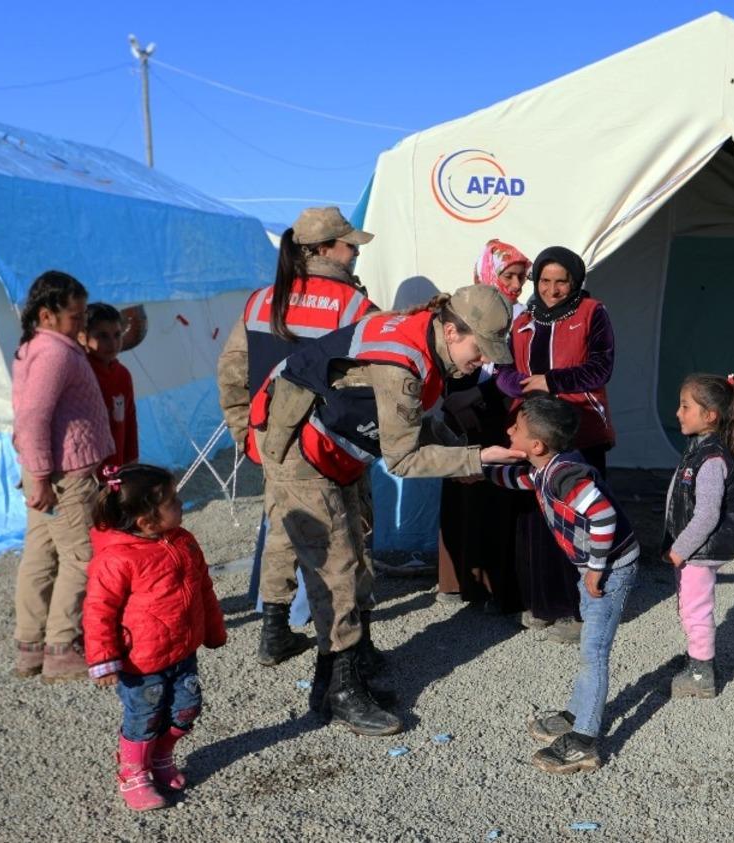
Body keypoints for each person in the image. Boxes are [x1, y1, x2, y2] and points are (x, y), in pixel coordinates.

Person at [261, 284, 524, 736]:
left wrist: (462, 451)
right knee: (336, 567)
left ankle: (345, 669)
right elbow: (402, 458)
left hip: (338, 446)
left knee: (360, 552)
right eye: (480, 349)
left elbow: (423, 419)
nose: (484, 361)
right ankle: (340, 689)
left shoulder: (426, 340)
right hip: (302, 450)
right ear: (451, 329)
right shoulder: (402, 363)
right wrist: (474, 459)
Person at [217, 206, 377, 668]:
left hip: (273, 441)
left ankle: (273, 630)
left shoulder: (260, 300)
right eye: (350, 245)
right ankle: (352, 645)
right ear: (325, 249)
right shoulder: (354, 306)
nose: (354, 254)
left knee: (281, 529)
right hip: (331, 446)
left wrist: (244, 431)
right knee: (350, 535)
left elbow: (231, 373)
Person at [484, 394, 638, 773]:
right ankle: (578, 711)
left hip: (611, 568)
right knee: (589, 646)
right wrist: (480, 471)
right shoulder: (546, 467)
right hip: (595, 565)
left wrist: (597, 568)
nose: (508, 430)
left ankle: (585, 739)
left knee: (594, 652)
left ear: (536, 445)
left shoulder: (565, 476)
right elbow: (523, 480)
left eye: (515, 428)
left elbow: (602, 517)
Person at [83, 464, 227, 812]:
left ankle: (161, 756)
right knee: (144, 717)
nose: (181, 503)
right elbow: (98, 609)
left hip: (182, 651)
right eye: (172, 500)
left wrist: (213, 628)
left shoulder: (183, 541)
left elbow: (202, 587)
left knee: (186, 711)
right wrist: (104, 659)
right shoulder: (117, 559)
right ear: (146, 521)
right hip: (141, 661)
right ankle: (134, 771)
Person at [495, 246, 616, 642]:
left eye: (560, 280)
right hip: (533, 431)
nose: (552, 289)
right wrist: (522, 387)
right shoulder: (524, 320)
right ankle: (538, 603)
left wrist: (552, 381)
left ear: (575, 281)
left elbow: (602, 366)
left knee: (576, 517)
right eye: (544, 280)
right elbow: (504, 372)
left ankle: (574, 608)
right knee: (534, 518)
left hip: (580, 428)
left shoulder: (592, 312)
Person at [10, 270, 114, 682]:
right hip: (64, 474)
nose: (83, 322)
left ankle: (31, 647)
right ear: (47, 314)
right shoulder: (54, 353)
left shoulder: (39, 347)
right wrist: (39, 478)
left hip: (47, 470)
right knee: (80, 558)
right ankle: (61, 648)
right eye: (76, 315)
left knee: (41, 556)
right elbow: (34, 417)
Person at [435, 239, 531, 609]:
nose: (517, 283)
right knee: (460, 496)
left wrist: (480, 397)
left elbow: (515, 371)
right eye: (509, 274)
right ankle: (456, 581)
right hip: (458, 413)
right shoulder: (465, 310)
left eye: (522, 276)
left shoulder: (523, 316)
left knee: (493, 497)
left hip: (495, 412)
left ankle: (491, 586)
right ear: (490, 272)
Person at [663, 373, 734, 698]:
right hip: (695, 550)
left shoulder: (712, 459)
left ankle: (702, 673)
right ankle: (697, 657)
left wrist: (680, 549)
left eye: (685, 406)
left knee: (696, 608)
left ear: (710, 415)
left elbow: (707, 514)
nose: (678, 412)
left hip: (699, 550)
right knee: (690, 605)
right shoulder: (700, 449)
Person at [80, 302, 138, 475]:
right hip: (87, 471)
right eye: (103, 336)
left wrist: (132, 461)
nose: (112, 343)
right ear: (82, 336)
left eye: (117, 335)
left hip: (115, 467)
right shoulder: (79, 373)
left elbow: (129, 420)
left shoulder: (123, 375)